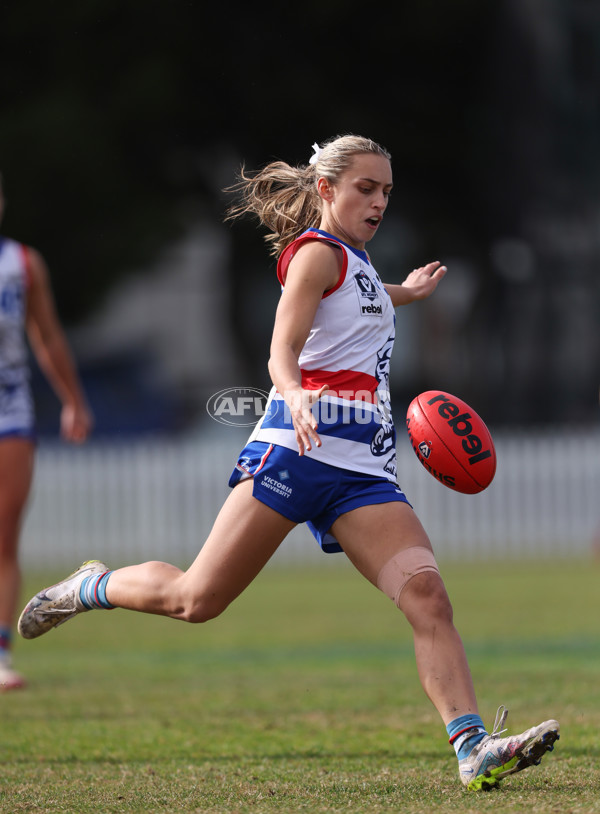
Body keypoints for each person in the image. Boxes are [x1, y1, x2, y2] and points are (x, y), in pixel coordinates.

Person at [17, 136, 559, 790]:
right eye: (366, 187)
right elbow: (283, 347)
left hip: (363, 471)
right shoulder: (315, 256)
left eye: (386, 191)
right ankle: (91, 586)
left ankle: (472, 749)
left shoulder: (357, 267)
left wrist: (407, 293)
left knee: (428, 597)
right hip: (294, 452)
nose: (379, 201)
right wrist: (296, 390)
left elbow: (365, 297)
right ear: (327, 190)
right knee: (196, 600)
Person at [0, 174, 93, 690]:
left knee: (3, 537)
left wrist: (73, 401)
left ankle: (0, 656)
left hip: (9, 411)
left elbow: (47, 335)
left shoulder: (23, 264)